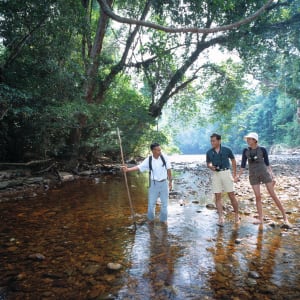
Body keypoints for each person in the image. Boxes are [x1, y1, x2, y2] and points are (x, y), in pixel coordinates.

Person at [235, 132, 289, 225]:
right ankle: (260, 219)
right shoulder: (245, 151)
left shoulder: (262, 150)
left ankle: (285, 216)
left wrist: (272, 175)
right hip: (253, 175)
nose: (247, 141)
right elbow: (243, 166)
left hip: (264, 173)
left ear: (255, 140)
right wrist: (238, 176)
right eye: (247, 139)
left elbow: (267, 163)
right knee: (258, 197)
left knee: (273, 194)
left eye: (249, 139)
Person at [122, 142, 172, 225]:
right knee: (151, 204)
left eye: (160, 150)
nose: (160, 151)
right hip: (153, 184)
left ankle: (164, 221)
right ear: (153, 151)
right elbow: (139, 167)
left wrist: (170, 182)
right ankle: (150, 221)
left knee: (164, 204)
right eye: (158, 150)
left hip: (164, 183)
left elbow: (169, 170)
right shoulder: (149, 160)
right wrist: (127, 170)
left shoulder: (165, 158)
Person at [206, 133, 240, 226]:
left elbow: (233, 161)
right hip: (216, 174)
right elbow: (208, 163)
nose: (212, 142)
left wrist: (234, 174)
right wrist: (211, 167)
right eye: (211, 141)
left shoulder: (227, 150)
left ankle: (237, 215)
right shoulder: (209, 152)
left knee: (231, 195)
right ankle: (220, 217)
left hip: (226, 172)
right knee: (217, 196)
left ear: (219, 141)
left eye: (213, 141)